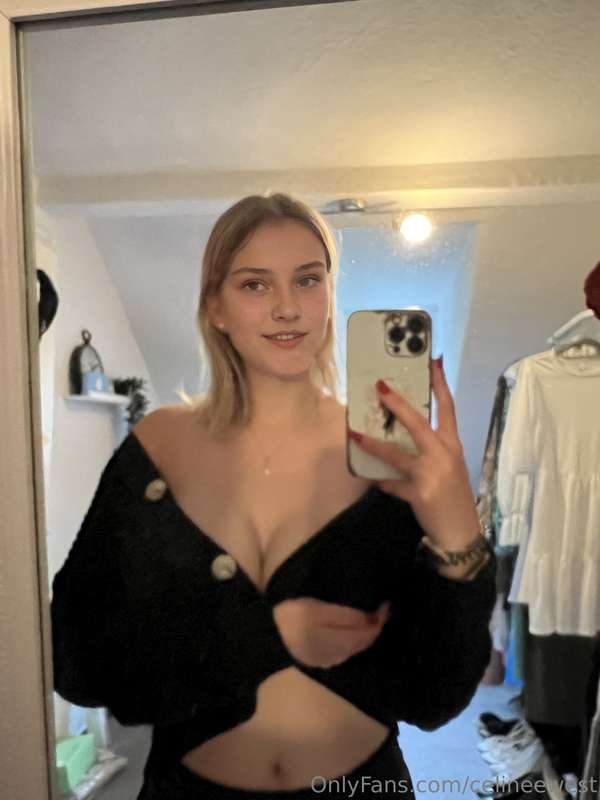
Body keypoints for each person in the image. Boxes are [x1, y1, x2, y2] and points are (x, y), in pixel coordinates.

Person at [51, 192, 497, 799]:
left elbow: (433, 697)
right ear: (215, 306)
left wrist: (458, 541)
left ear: (329, 294)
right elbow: (78, 662)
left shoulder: (384, 456)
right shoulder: (158, 451)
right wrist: (267, 638)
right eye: (255, 284)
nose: (288, 307)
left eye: (308, 280)